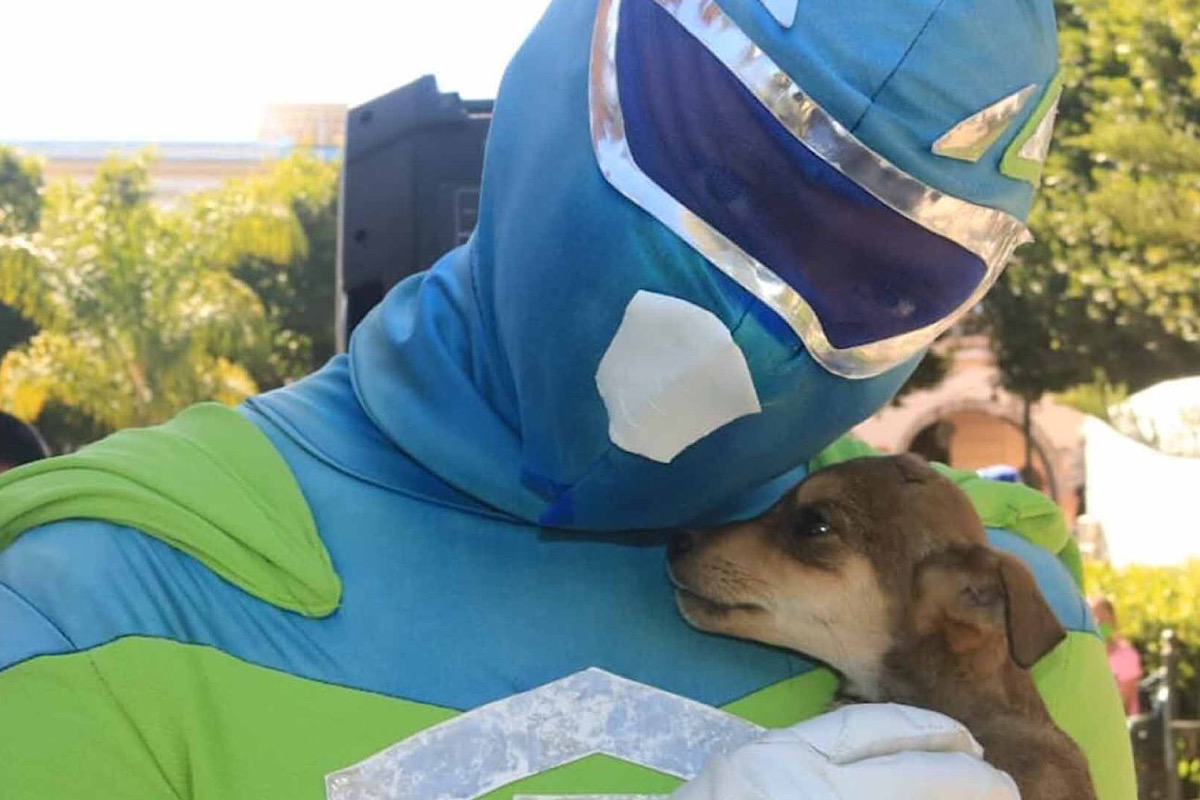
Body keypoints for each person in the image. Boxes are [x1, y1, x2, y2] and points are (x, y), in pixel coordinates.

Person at [0, 0, 1136, 798]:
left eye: (869, 270)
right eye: (710, 160)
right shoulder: (98, 597)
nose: (724, 323)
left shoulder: (1007, 622)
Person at [1092, 595, 1144, 716]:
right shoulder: (1084, 656)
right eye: (1094, 619)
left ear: (1113, 620)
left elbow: (1124, 705)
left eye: (1103, 619)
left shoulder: (1127, 656)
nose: (1099, 624)